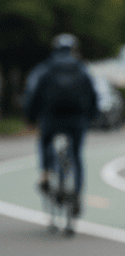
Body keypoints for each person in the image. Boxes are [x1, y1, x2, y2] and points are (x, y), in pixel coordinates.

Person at [23, 34, 98, 216]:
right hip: (76, 120)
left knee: (45, 143)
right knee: (76, 154)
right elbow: (93, 95)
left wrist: (31, 117)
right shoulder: (82, 68)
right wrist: (92, 116)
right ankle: (77, 195)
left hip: (51, 118)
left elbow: (33, 93)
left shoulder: (45, 68)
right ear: (74, 49)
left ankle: (46, 175)